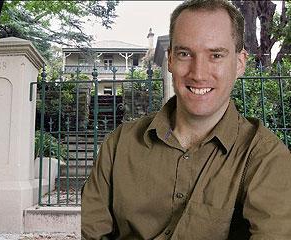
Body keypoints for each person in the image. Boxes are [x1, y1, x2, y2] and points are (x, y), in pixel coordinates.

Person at [81, 0, 291, 239]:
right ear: (170, 60)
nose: (198, 73)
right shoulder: (119, 145)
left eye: (215, 55)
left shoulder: (265, 158)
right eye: (184, 54)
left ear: (240, 63)